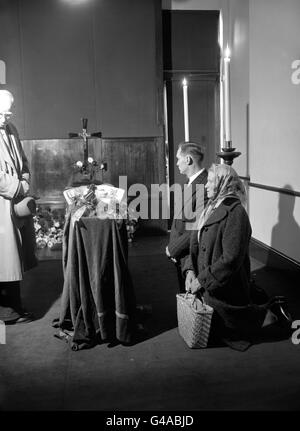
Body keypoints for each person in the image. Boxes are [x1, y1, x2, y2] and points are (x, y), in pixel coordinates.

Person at [184, 163, 292, 350]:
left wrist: (202, 280)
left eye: (210, 181)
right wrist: (190, 269)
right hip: (210, 286)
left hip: (225, 290)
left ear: (223, 184)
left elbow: (231, 258)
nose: (206, 185)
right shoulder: (209, 208)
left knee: (235, 330)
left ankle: (271, 312)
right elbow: (194, 243)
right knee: (213, 333)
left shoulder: (236, 213)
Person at [0, 89, 37, 324]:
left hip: (14, 205)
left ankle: (14, 308)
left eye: (8, 114)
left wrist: (25, 180)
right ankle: (7, 312)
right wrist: (18, 187)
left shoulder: (11, 130)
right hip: (3, 203)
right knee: (4, 259)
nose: (5, 119)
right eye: (1, 114)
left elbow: (23, 161)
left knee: (13, 260)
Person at [166, 142, 208, 293]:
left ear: (188, 159)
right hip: (181, 255)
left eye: (178, 159)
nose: (176, 163)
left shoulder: (205, 186)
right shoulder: (190, 182)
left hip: (191, 256)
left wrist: (173, 248)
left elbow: (197, 229)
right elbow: (180, 221)